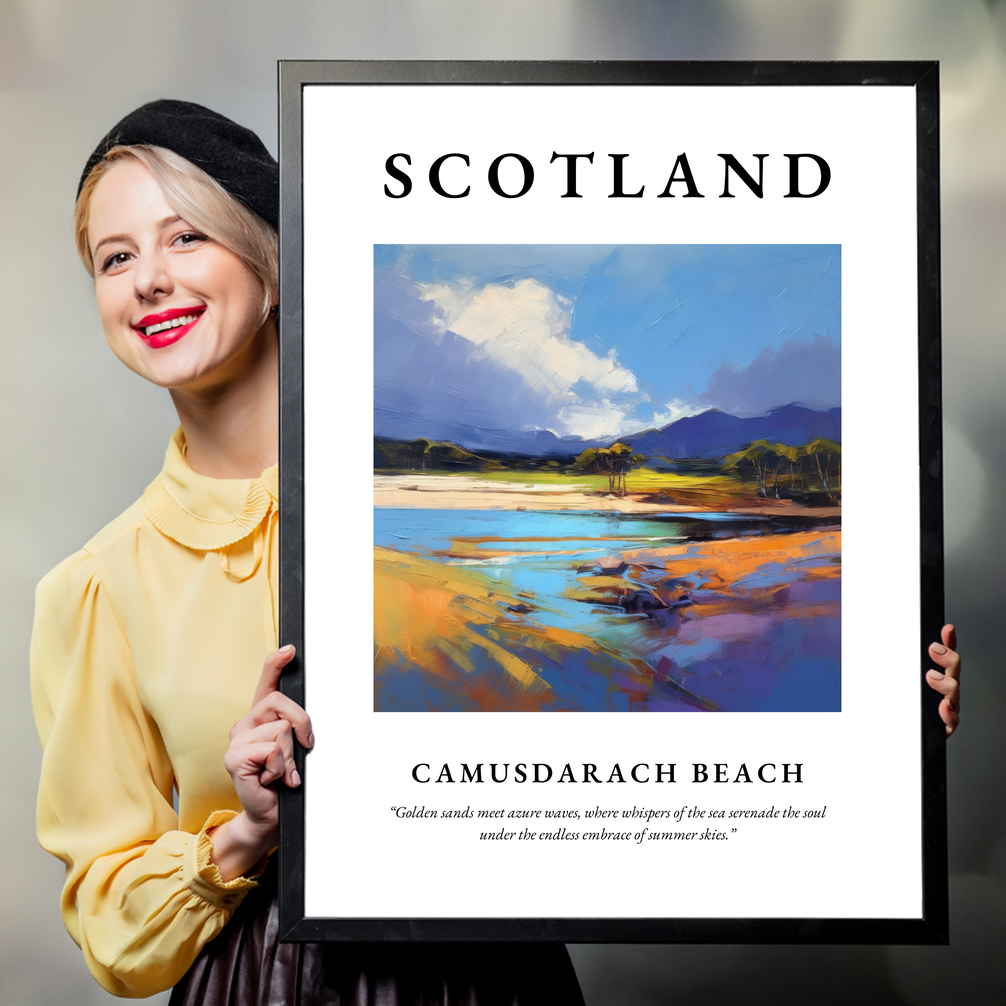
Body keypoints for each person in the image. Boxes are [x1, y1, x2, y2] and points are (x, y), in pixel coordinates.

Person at [30, 100, 585, 1004]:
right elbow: (110, 924)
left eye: (186, 239)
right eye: (116, 257)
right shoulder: (97, 587)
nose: (148, 281)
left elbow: (618, 707)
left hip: (493, 973)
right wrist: (244, 832)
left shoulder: (446, 511)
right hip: (262, 982)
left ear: (273, 264)